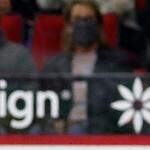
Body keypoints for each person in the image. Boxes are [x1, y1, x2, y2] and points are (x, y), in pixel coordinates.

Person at [41, 0, 132, 134]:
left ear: (98, 25)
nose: (83, 24)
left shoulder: (116, 63)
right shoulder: (54, 65)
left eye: (88, 19)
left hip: (100, 128)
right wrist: (56, 123)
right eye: (77, 19)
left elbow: (121, 106)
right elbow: (44, 105)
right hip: (63, 128)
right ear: (68, 25)